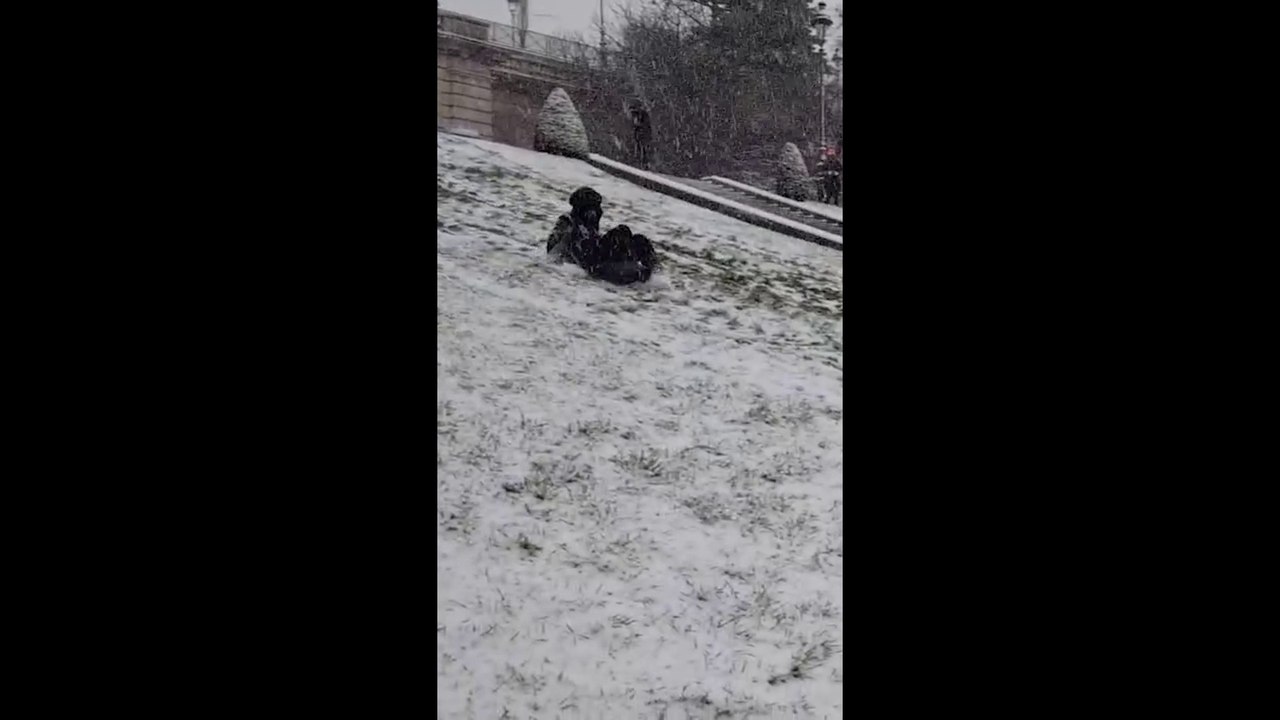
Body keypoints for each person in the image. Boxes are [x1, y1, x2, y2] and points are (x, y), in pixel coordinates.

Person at [547, 187, 659, 284]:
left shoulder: (587, 224)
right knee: (621, 232)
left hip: (597, 253)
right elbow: (555, 248)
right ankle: (631, 267)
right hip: (593, 260)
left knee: (639, 240)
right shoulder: (569, 223)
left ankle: (653, 271)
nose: (600, 211)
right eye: (596, 207)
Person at [628, 102, 653, 170]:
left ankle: (644, 164)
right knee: (639, 148)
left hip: (643, 135)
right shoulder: (636, 116)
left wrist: (638, 125)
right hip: (639, 135)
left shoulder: (642, 115)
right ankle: (640, 163)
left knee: (644, 149)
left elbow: (645, 125)